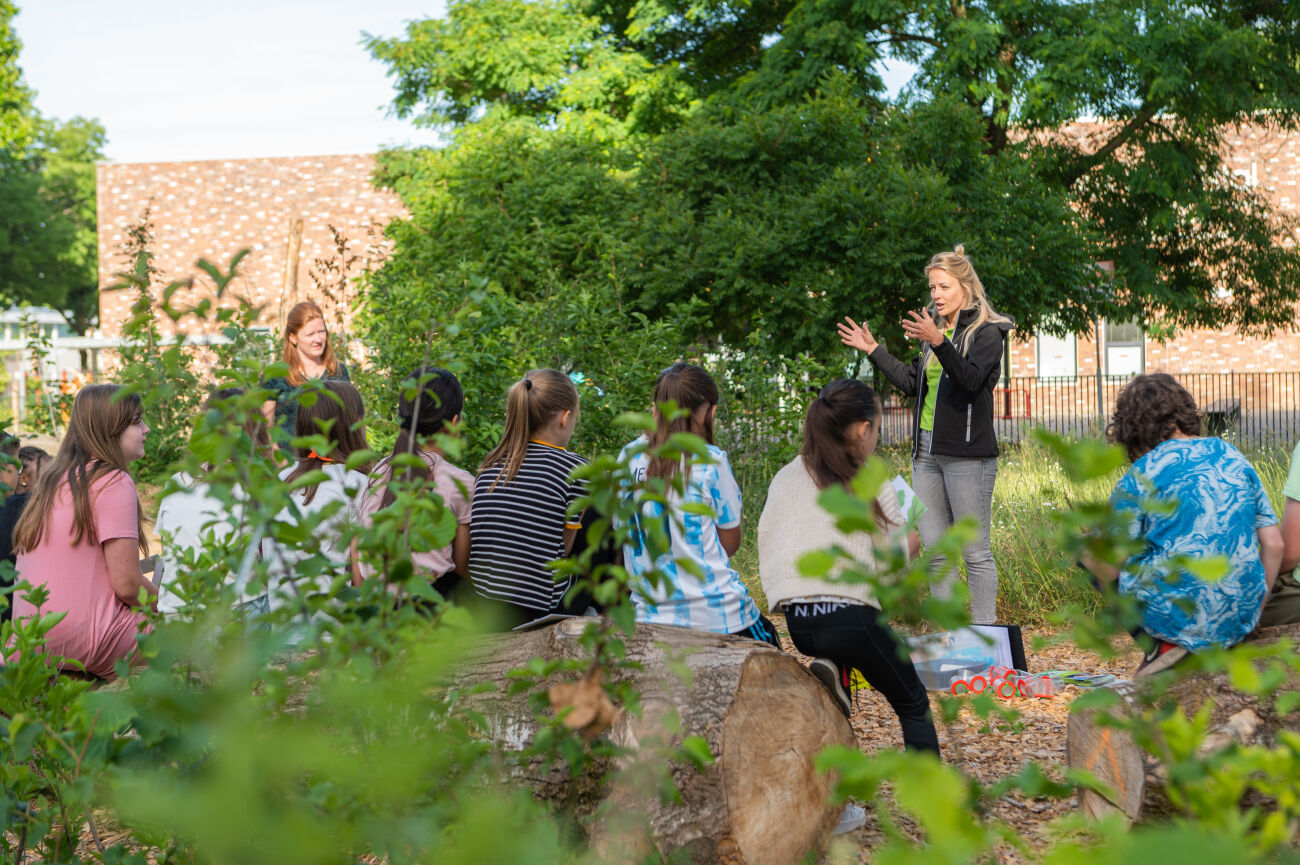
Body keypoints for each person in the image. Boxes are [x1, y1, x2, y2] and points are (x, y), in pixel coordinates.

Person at [758, 379, 939, 753]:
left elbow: (769, 540)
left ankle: (835, 668)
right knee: (913, 703)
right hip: (852, 617)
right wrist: (910, 546)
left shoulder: (785, 476)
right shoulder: (867, 475)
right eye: (877, 428)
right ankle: (933, 804)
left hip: (800, 623)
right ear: (862, 429)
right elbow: (893, 559)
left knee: (842, 655)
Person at [837, 245, 1013, 625]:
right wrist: (874, 351)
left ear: (965, 287)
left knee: (974, 552)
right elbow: (911, 383)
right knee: (935, 551)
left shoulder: (988, 333)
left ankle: (986, 639)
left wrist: (939, 342)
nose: (935, 295)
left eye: (943, 287)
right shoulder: (935, 333)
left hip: (969, 458)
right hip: (926, 456)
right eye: (932, 288)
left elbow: (969, 382)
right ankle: (947, 634)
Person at [1087, 373, 1282, 675]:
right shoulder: (1232, 455)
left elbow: (1109, 568)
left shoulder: (1143, 473)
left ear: (1131, 429)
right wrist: (1252, 611)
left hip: (1175, 617)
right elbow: (1274, 543)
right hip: (1239, 618)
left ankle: (1160, 648)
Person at [619, 363, 777, 645]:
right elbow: (729, 542)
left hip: (648, 619)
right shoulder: (710, 460)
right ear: (710, 412)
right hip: (720, 617)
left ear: (654, 409)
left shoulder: (628, 457)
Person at [11, 385, 156, 679]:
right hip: (87, 639)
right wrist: (168, 603)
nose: (147, 429)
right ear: (111, 427)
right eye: (137, 421)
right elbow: (128, 584)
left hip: (30, 640)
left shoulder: (54, 479)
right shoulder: (112, 479)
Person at [468, 369, 587, 629]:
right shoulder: (576, 469)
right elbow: (565, 550)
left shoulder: (490, 465)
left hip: (481, 603)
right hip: (536, 610)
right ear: (565, 418)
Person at [354, 366, 472, 603]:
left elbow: (358, 556)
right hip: (430, 615)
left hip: (378, 612)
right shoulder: (460, 483)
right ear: (454, 422)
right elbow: (462, 573)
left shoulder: (378, 472)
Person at [155, 388, 272, 615]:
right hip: (237, 609)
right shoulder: (254, 481)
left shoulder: (175, 481)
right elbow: (272, 559)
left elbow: (168, 551)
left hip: (176, 609)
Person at [262, 380, 371, 623]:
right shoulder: (358, 486)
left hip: (283, 635)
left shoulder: (278, 482)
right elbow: (362, 578)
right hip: (331, 638)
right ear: (353, 426)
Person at [261, 300, 351, 446]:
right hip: (289, 464)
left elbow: (352, 420)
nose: (318, 339)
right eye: (310, 334)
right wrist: (281, 462)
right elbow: (265, 428)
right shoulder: (276, 375)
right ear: (293, 338)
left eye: (321, 332)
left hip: (332, 463)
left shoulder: (338, 372)